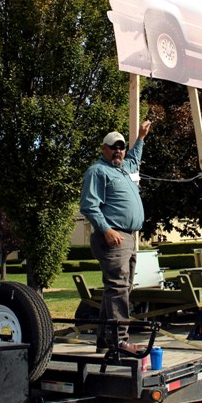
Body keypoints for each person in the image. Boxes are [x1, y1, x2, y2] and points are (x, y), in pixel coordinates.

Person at [79, 120, 152, 355]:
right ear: (104, 148)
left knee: (121, 288)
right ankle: (120, 341)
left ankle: (104, 338)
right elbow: (89, 206)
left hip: (128, 238)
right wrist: (106, 230)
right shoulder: (97, 171)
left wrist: (140, 137)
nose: (118, 150)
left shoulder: (124, 168)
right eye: (114, 146)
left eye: (121, 146)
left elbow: (135, 157)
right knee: (118, 287)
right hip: (113, 237)